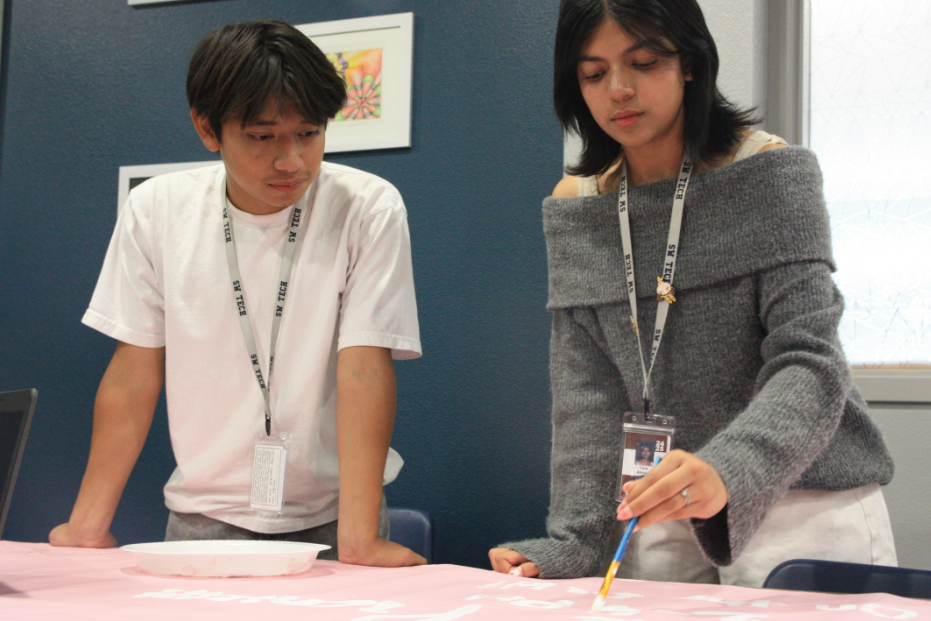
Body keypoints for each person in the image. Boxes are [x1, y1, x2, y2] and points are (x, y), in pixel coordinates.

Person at [489, 0, 896, 587]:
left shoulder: (770, 174)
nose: (619, 90)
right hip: (659, 512)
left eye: (644, 61)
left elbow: (810, 362)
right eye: (594, 73)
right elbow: (586, 396)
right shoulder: (578, 205)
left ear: (689, 63)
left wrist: (725, 469)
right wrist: (576, 541)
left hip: (800, 507)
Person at [49, 20, 425, 567]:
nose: (292, 160)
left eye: (309, 133)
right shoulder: (157, 210)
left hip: (334, 517)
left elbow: (364, 367)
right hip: (202, 522)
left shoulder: (367, 206)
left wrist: (360, 539)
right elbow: (134, 372)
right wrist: (86, 526)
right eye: (263, 136)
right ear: (208, 128)